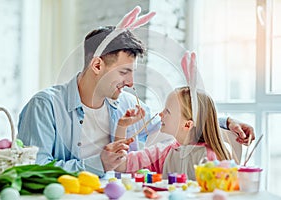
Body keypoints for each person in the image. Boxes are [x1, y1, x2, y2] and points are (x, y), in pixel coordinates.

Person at [17, 7, 255, 177]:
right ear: (97, 65)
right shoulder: (44, 107)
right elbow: (32, 171)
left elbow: (176, 119)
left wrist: (227, 121)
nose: (131, 82)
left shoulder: (125, 104)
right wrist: (97, 163)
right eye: (124, 72)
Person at [114, 52, 233, 180]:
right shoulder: (163, 153)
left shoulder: (210, 158)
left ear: (187, 124)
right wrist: (122, 126)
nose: (160, 114)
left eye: (167, 111)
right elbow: (120, 164)